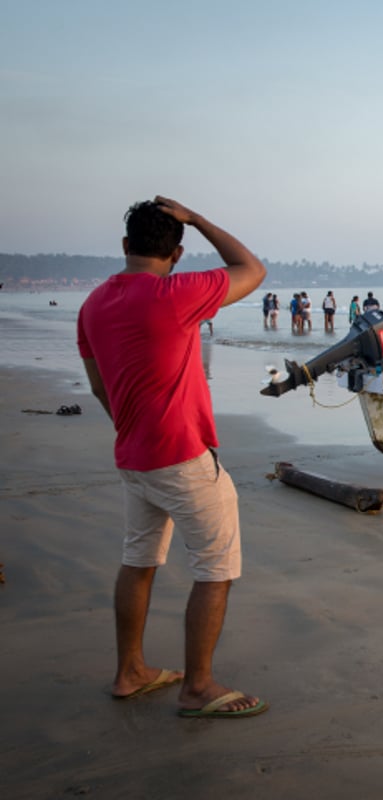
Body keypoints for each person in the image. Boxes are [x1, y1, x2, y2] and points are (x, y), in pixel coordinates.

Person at [76, 196, 269, 719]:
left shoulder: (92, 305)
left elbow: (100, 389)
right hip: (181, 455)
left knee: (138, 560)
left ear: (124, 246)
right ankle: (198, 686)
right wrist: (200, 218)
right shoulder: (176, 293)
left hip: (132, 455)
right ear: (178, 253)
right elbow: (252, 269)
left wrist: (135, 427)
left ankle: (130, 671)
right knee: (216, 567)